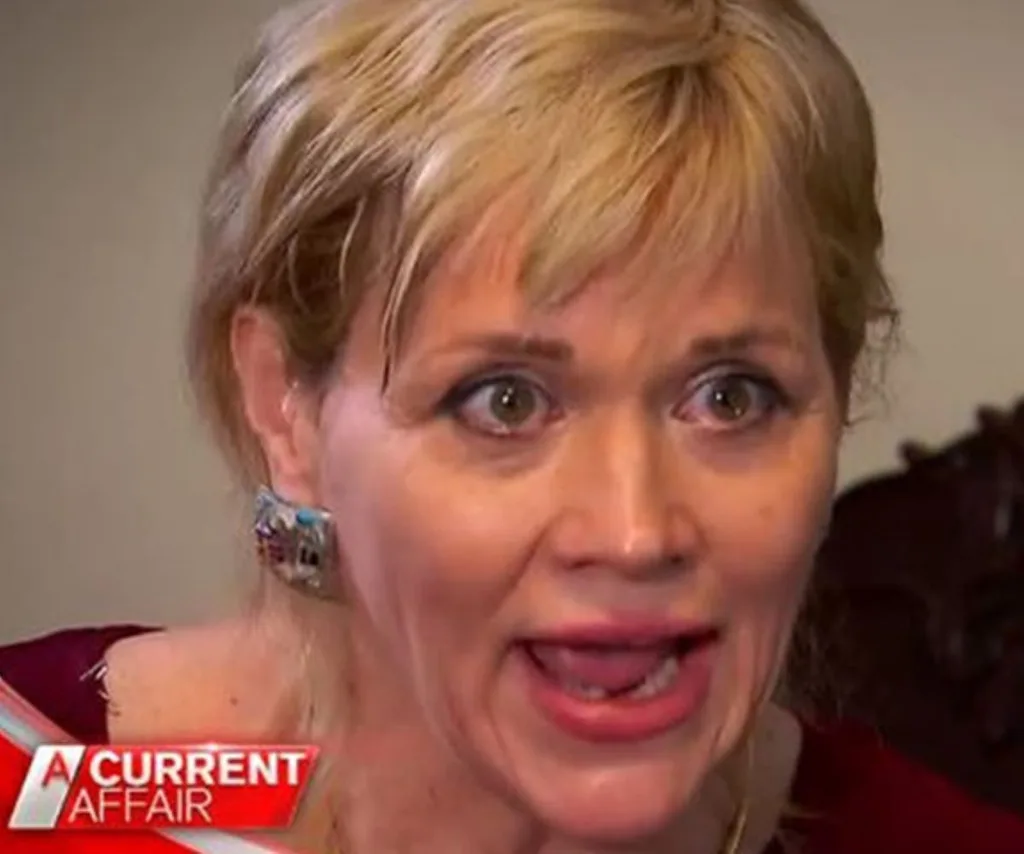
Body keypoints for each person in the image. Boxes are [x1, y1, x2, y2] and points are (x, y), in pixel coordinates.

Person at [2, 0, 1023, 852]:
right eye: (505, 401)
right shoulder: (31, 782)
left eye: (730, 397)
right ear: (286, 406)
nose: (635, 532)